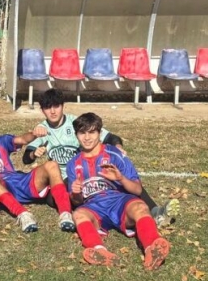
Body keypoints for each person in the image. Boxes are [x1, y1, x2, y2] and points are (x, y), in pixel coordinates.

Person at [24, 88, 178, 227]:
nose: (52, 111)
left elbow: (111, 137)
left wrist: (118, 147)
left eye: (56, 106)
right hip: (64, 178)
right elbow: (26, 158)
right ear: (42, 110)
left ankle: (156, 211)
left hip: (85, 172)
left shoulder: (77, 124)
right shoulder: (41, 129)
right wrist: (33, 154)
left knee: (125, 180)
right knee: (54, 199)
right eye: (47, 107)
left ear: (63, 106)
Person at [66, 113, 170, 269]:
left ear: (100, 133)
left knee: (140, 207)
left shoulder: (115, 154)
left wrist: (121, 178)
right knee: (78, 214)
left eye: (92, 132)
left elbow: (137, 189)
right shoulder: (73, 164)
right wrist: (75, 193)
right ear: (76, 135)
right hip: (93, 207)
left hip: (119, 203)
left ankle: (152, 247)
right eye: (82, 133)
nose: (87, 138)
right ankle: (99, 251)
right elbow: (77, 202)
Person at [0, 105, 75, 233]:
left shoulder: (0, 141)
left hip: (18, 180)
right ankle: (23, 214)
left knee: (52, 165)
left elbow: (22, 139)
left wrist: (34, 134)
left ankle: (65, 214)